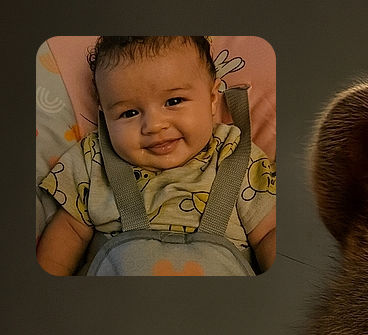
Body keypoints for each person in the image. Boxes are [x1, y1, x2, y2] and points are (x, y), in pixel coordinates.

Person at [36, 35, 276, 275]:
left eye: (174, 101)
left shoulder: (235, 155)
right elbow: (68, 232)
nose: (153, 125)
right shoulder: (94, 159)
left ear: (212, 99)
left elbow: (268, 233)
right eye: (129, 113)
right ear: (104, 116)